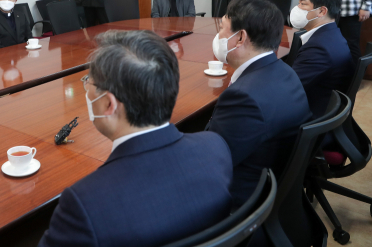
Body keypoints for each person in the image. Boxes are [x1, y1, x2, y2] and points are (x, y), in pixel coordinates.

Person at [39, 30, 233, 247]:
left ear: (108, 104)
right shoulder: (215, 148)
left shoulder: (85, 204)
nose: (86, 90)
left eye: (88, 83)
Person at [207, 0, 311, 208]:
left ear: (240, 38)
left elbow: (210, 163)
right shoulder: (284, 71)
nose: (218, 36)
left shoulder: (244, 99)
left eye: (223, 29)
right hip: (272, 185)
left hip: (240, 202)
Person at [289, 0, 354, 118]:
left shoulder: (318, 49)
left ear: (321, 11)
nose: (297, 8)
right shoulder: (332, 34)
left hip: (309, 116)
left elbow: (288, 89)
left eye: (302, 3)